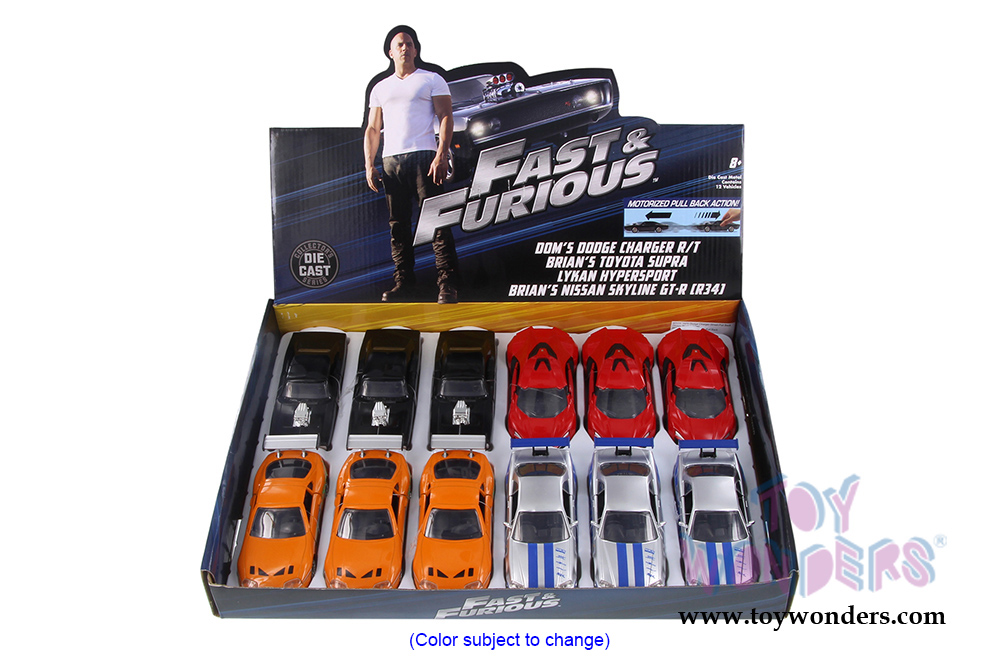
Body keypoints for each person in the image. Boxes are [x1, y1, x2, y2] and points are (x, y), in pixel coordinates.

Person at [364, 27, 459, 304]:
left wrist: (441, 154)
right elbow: (373, 128)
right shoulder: (380, 88)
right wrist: (369, 164)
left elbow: (446, 116)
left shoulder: (431, 79)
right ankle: (404, 284)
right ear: (390, 53)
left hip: (424, 157)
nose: (404, 47)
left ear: (416, 50)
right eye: (399, 44)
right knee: (399, 226)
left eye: (409, 43)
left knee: (436, 222)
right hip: (391, 161)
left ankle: (447, 285)